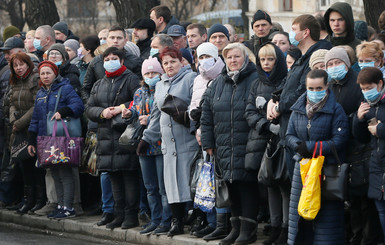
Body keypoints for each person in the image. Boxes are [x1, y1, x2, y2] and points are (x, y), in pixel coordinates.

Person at [201, 43, 259, 245]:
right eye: (229, 57)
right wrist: (208, 143)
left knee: (247, 187)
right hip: (224, 145)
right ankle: (235, 228)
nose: (233, 60)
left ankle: (248, 230)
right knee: (231, 187)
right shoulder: (218, 84)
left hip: (248, 143)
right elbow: (206, 116)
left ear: (245, 58)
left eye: (237, 56)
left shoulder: (255, 79)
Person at [138, 47, 198, 237]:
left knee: (190, 184)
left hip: (187, 140)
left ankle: (197, 219)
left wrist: (187, 119)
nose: (169, 65)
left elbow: (196, 106)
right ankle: (177, 221)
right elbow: (156, 115)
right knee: (171, 185)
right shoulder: (161, 84)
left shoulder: (191, 79)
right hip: (168, 144)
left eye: (173, 61)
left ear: (181, 62)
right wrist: (147, 138)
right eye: (166, 63)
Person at [286, 69, 349, 244]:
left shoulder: (336, 110)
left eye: (318, 88)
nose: (314, 92)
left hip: (325, 171)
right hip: (303, 169)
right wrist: (298, 146)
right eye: (311, 88)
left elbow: (340, 140)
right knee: (299, 217)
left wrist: (311, 147)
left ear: (326, 86)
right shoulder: (298, 108)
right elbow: (289, 134)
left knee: (326, 220)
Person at [267, 14, 332, 179]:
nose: (291, 33)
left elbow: (302, 90)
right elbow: (287, 85)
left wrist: (279, 107)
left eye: (294, 29)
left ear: (306, 33)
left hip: (302, 130)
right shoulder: (300, 57)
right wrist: (273, 100)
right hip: (290, 127)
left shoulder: (315, 57)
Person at [86, 47, 141, 230]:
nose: (111, 61)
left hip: (124, 136)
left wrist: (120, 108)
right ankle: (119, 215)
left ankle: (131, 216)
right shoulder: (99, 83)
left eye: (114, 58)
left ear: (122, 61)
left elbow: (139, 100)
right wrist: (102, 112)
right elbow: (89, 108)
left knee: (129, 178)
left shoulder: (131, 79)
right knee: (114, 180)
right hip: (105, 138)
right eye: (107, 58)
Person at [122, 57, 172, 235]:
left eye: (154, 73)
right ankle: (155, 219)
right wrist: (129, 113)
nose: (151, 76)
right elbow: (135, 109)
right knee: (150, 187)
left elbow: (164, 113)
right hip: (143, 145)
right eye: (148, 73)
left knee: (162, 187)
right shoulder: (139, 92)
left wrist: (148, 119)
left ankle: (166, 220)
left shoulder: (163, 89)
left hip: (159, 144)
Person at [27, 60, 84, 219]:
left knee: (65, 173)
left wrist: (63, 111)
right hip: (46, 140)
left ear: (55, 74)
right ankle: (60, 205)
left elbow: (78, 105)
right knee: (54, 173)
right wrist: (32, 141)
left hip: (62, 139)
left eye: (48, 73)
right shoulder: (40, 93)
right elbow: (36, 119)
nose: (45, 76)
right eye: (42, 73)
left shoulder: (65, 88)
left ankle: (69, 207)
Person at [245, 42, 288, 245]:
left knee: (284, 185)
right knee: (270, 184)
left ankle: (286, 228)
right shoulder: (256, 83)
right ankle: (275, 225)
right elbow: (249, 112)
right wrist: (265, 125)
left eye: (270, 59)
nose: (266, 63)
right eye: (262, 60)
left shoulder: (287, 80)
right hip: (264, 140)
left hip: (283, 140)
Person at [187, 42, 229, 240]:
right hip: (201, 134)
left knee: (218, 182)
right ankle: (210, 221)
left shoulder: (223, 76)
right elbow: (194, 105)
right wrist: (194, 122)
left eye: (207, 56)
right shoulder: (197, 80)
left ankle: (221, 223)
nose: (204, 61)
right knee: (206, 181)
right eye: (200, 57)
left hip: (219, 135)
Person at [7, 53, 44, 214]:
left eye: (21, 64)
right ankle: (28, 199)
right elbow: (11, 102)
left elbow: (37, 105)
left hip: (32, 128)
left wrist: (20, 123)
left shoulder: (35, 79)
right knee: (23, 166)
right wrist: (13, 119)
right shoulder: (15, 80)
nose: (19, 68)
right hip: (18, 128)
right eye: (15, 65)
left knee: (35, 166)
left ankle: (39, 200)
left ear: (28, 64)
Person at [353, 67, 385, 244]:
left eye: (369, 87)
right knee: (380, 210)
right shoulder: (368, 106)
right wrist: (358, 119)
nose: (366, 92)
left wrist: (380, 129)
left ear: (380, 84)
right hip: (376, 165)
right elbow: (362, 137)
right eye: (363, 89)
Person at [82, 26, 143, 103]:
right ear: (107, 40)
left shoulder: (135, 61)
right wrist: (91, 105)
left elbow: (139, 90)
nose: (115, 41)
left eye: (119, 38)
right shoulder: (96, 62)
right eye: (112, 38)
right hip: (101, 110)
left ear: (125, 41)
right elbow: (86, 88)